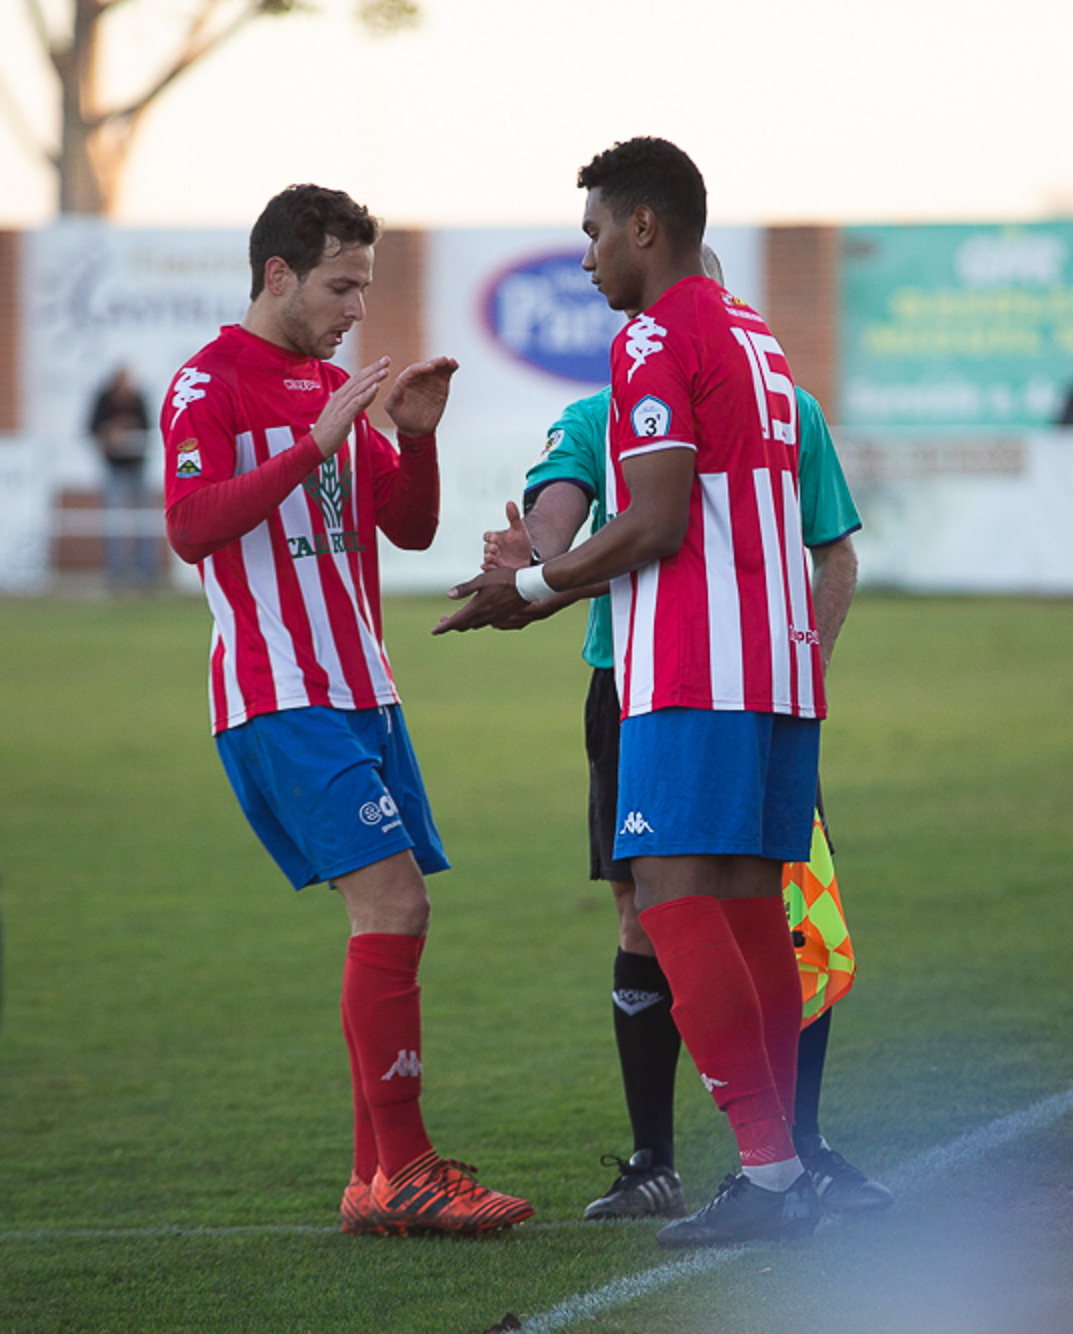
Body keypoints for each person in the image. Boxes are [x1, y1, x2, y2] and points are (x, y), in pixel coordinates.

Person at [441, 137, 827, 1248]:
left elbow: (655, 516)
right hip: (777, 662)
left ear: (644, 227)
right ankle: (784, 1170)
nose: (586, 258)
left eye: (593, 233)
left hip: (693, 666)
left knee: (662, 895)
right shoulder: (754, 332)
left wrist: (524, 582)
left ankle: (761, 1169)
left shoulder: (654, 334)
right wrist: (541, 577)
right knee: (749, 904)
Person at [159, 184, 532, 1238]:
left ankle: (374, 1179)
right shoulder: (205, 386)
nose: (355, 307)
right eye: (339, 284)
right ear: (276, 274)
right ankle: (406, 1167)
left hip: (363, 688)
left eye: (364, 285)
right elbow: (190, 527)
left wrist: (410, 437)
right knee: (396, 903)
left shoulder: (332, 382)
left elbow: (405, 529)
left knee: (387, 914)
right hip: (280, 695)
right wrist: (314, 445)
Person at [89, 365, 158, 588]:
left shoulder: (138, 399)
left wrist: (129, 430)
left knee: (145, 518)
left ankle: (148, 570)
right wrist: (111, 432)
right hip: (113, 465)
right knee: (114, 519)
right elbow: (92, 428)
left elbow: (148, 429)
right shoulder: (104, 400)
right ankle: (116, 571)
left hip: (137, 464)